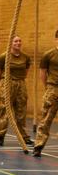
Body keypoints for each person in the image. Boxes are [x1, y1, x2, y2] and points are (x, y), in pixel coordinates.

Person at [0, 35, 32, 147]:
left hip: (20, 84)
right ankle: (0, 136)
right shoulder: (3, 57)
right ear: (11, 43)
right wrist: (4, 84)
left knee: (21, 111)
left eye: (20, 41)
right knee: (5, 111)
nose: (18, 43)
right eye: (16, 41)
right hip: (7, 83)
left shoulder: (25, 57)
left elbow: (26, 71)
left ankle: (24, 137)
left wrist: (19, 82)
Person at [32, 29, 58, 157]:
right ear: (56, 39)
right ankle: (38, 145)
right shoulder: (49, 55)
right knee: (46, 118)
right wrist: (48, 87)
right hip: (53, 88)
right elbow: (42, 72)